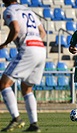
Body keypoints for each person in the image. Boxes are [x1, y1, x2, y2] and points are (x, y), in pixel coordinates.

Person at [0, 0, 46, 132]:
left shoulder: (9, 10)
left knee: (4, 84)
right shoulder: (28, 10)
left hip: (28, 48)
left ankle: (16, 119)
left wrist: (5, 43)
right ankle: (34, 124)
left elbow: (16, 28)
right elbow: (42, 32)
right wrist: (35, 42)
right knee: (27, 87)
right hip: (40, 49)